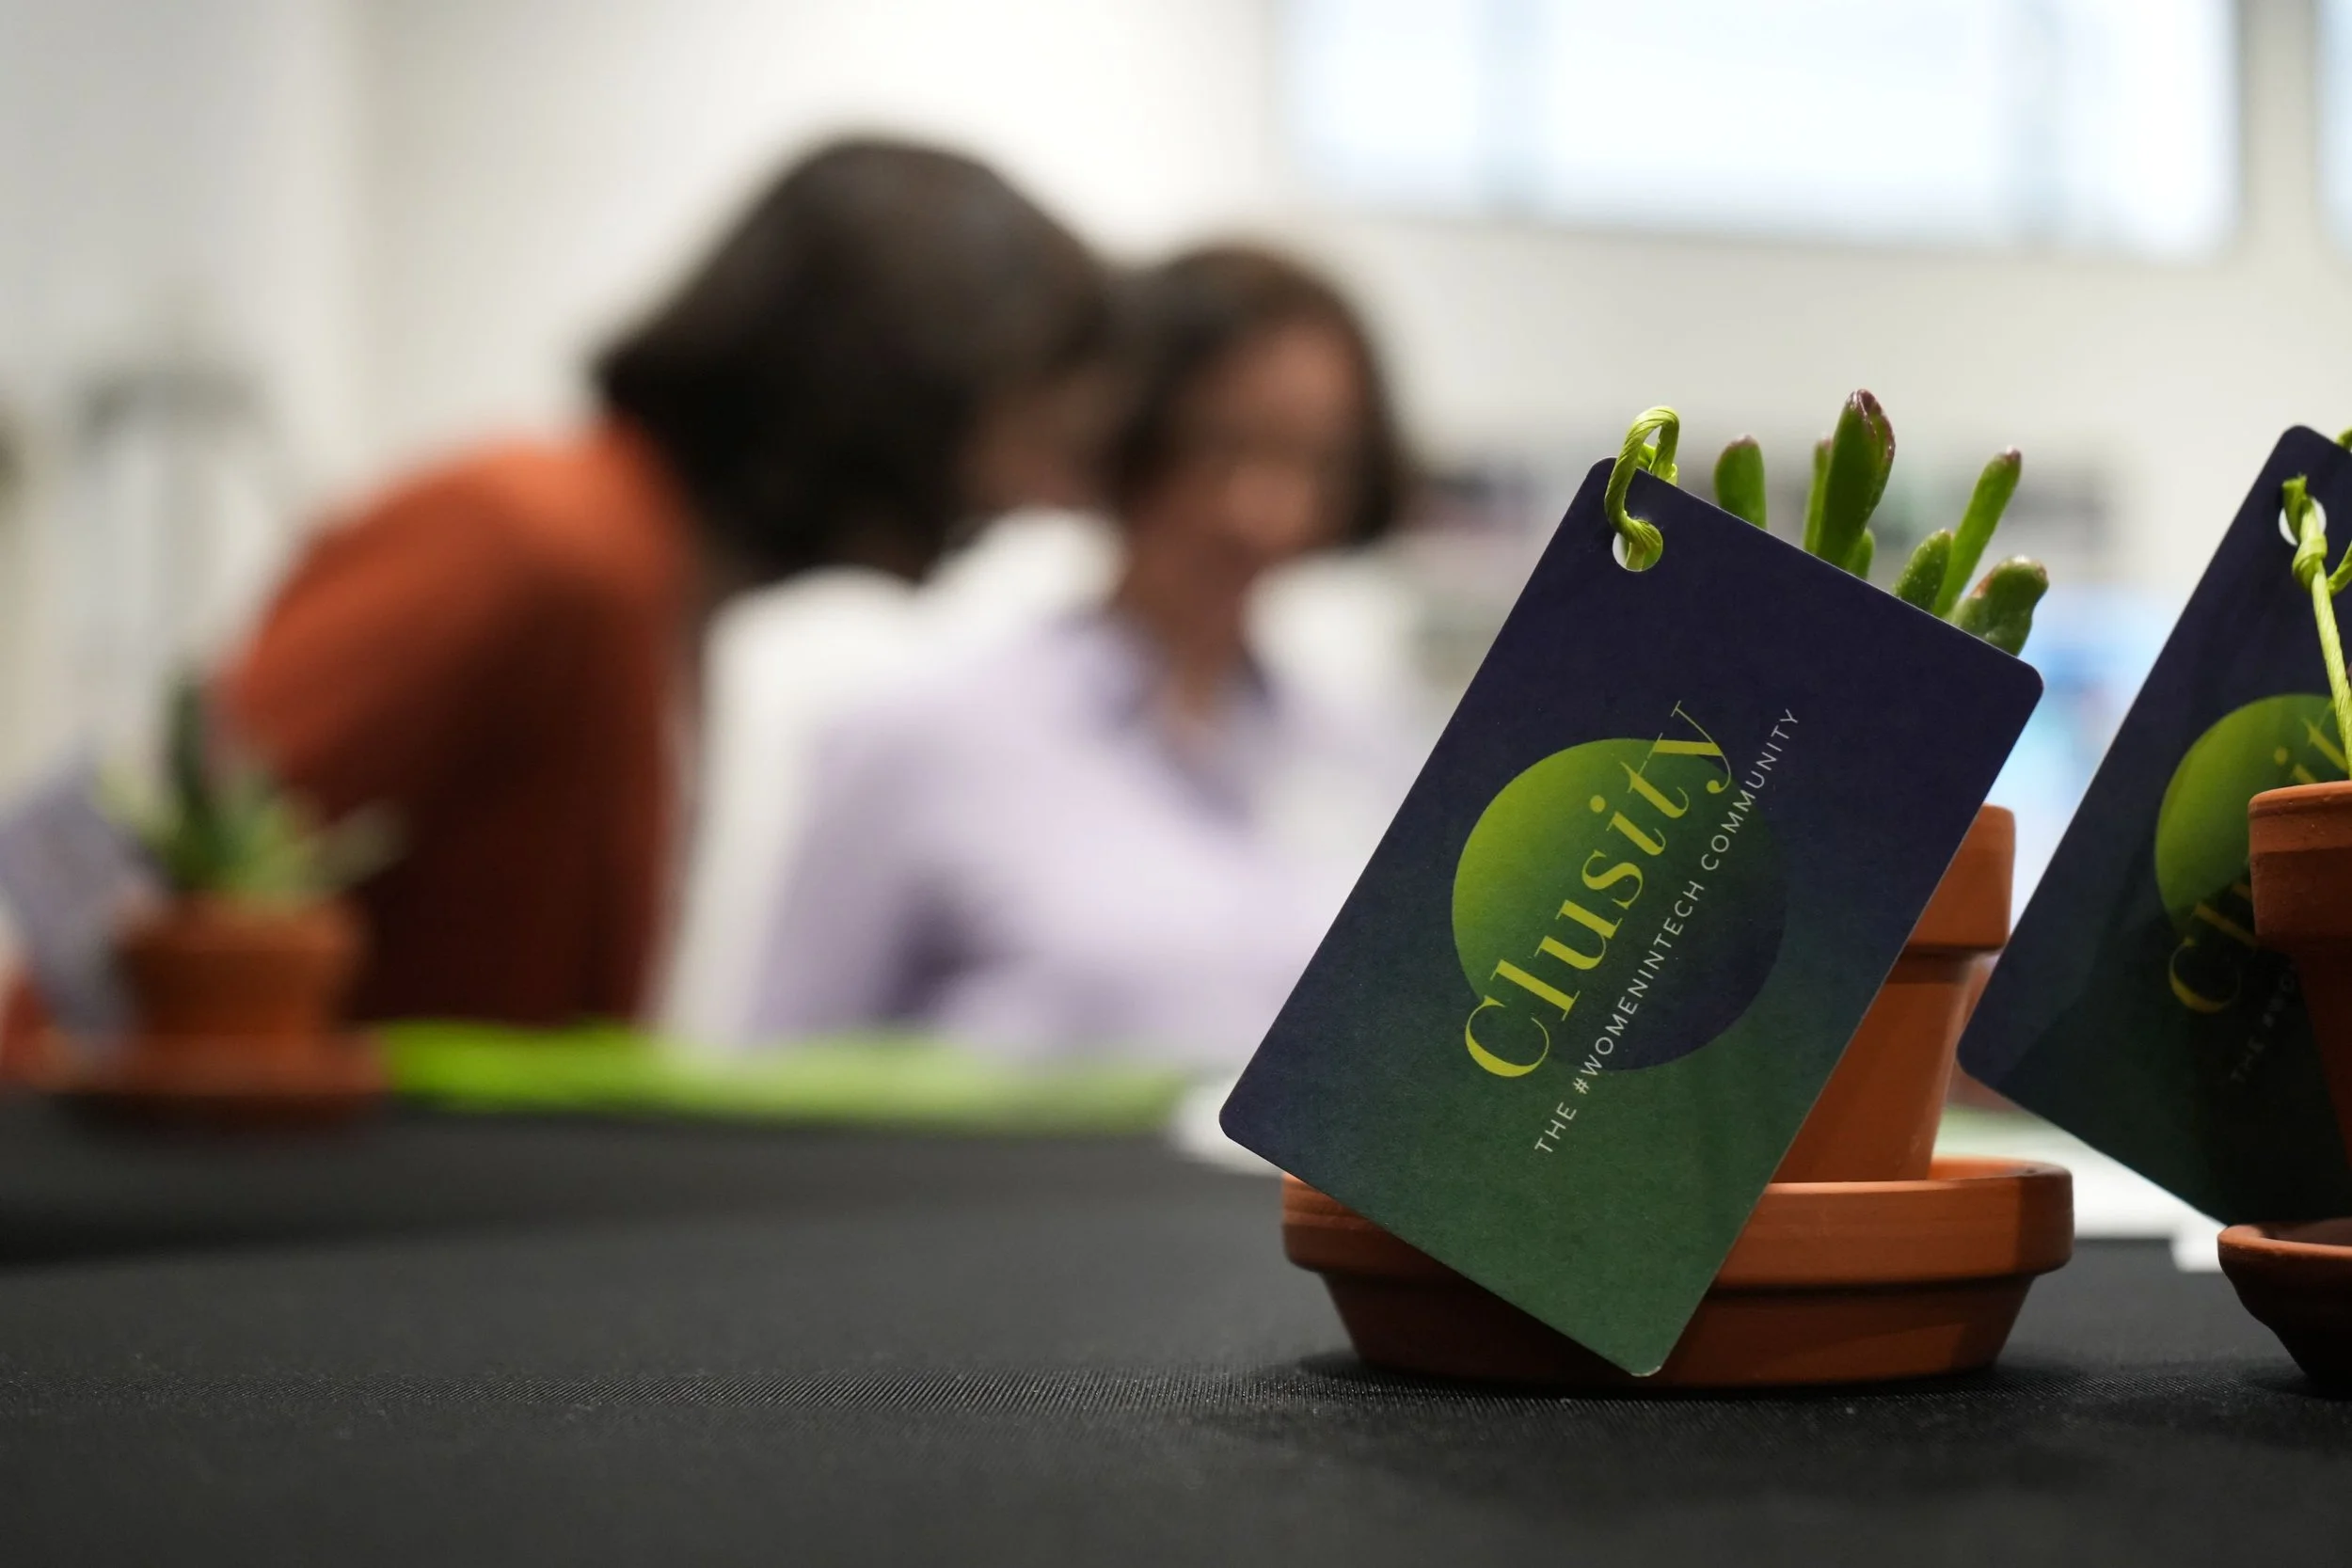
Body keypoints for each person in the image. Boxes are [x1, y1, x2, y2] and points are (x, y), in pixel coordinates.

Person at [221, 139, 1113, 1026]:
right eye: (1024, 427)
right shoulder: (534, 540)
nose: (1036, 494)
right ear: (902, 389)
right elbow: (157, 884)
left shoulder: (648, 595)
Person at [747, 245, 1414, 1069]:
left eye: (1315, 463)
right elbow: (779, 1086)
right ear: (1120, 436)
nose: (1266, 511)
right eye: (1220, 447)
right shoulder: (917, 742)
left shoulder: (1378, 758)